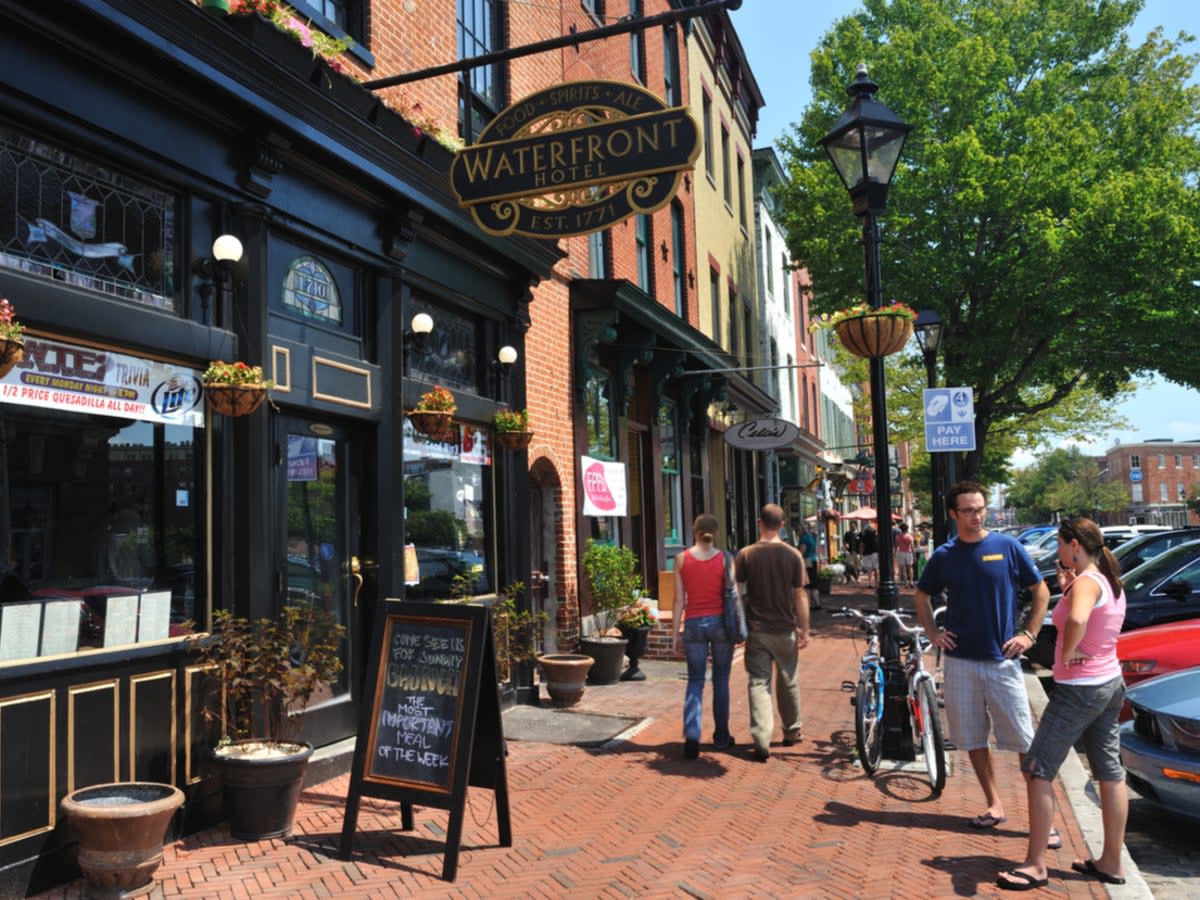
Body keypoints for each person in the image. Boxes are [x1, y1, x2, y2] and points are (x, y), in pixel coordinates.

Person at [996, 517, 1128, 891]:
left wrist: (1066, 653)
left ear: (1074, 545)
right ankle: (1111, 862)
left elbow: (1080, 619)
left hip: (1080, 690)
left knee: (1037, 769)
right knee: (1109, 772)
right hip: (1109, 683)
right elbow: (1096, 619)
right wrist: (1070, 591)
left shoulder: (1087, 582)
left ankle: (1036, 864)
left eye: (1059, 544)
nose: (1057, 551)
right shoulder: (1107, 580)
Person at [914, 481, 1051, 835]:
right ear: (954, 514)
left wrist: (1029, 634)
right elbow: (921, 595)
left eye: (981, 509)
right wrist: (933, 633)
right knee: (972, 738)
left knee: (1024, 741)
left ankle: (1043, 821)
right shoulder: (944, 555)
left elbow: (1041, 591)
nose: (977, 516)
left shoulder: (1007, 546)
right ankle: (994, 803)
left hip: (1002, 661)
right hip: (960, 662)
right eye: (970, 511)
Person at [734, 504, 809, 762]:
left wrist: (738, 622)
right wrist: (805, 629)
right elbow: (800, 595)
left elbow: (737, 592)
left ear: (760, 523)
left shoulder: (746, 554)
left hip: (757, 630)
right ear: (782, 524)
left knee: (758, 682)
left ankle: (762, 737)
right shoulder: (793, 556)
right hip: (784, 628)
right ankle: (792, 731)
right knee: (788, 679)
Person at [673, 513, 737, 760]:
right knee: (721, 680)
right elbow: (733, 594)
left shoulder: (681, 559)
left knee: (695, 680)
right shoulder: (725, 559)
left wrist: (674, 634)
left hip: (693, 625)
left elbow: (679, 600)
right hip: (720, 624)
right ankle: (721, 736)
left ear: (694, 530)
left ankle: (692, 734)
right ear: (716, 532)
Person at [796, 521, 820, 610]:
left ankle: (808, 604)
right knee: (813, 583)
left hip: (807, 561)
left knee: (807, 583)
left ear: (800, 530)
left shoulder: (803, 539)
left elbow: (802, 552)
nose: (796, 532)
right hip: (813, 560)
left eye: (797, 530)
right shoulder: (811, 537)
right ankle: (817, 602)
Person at [894, 522, 916, 587]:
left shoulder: (898, 536)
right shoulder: (910, 536)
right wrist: (914, 555)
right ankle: (911, 581)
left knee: (903, 568)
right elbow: (912, 546)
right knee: (910, 567)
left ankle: (906, 583)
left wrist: (895, 553)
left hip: (901, 552)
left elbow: (896, 546)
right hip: (909, 553)